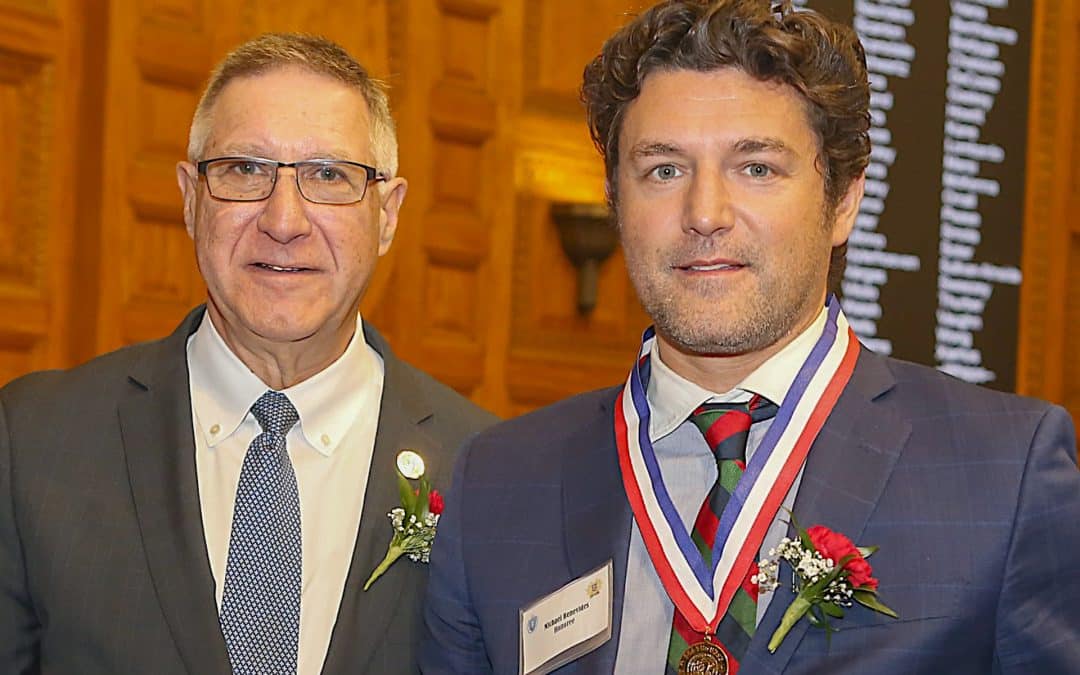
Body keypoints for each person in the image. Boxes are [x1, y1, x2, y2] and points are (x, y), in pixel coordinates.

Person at [420, 1, 1080, 673]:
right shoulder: (499, 486)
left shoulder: (1003, 477)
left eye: (756, 167)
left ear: (845, 198)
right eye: (664, 169)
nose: (704, 213)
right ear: (616, 200)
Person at [0, 33, 495, 675]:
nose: (284, 220)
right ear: (190, 198)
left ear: (388, 213)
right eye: (245, 170)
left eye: (328, 174)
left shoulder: (487, 473)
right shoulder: (35, 441)